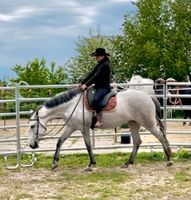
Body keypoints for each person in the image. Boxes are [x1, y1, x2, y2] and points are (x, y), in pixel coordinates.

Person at [80, 48, 112, 127]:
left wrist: (86, 85)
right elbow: (91, 74)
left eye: (96, 56)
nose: (96, 58)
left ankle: (99, 119)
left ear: (101, 56)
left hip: (104, 88)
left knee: (96, 100)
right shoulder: (99, 65)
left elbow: (96, 77)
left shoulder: (105, 65)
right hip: (97, 87)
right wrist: (82, 82)